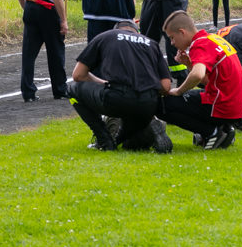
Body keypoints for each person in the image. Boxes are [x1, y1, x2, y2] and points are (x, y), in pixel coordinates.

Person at [67, 20, 172, 152]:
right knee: (131, 144)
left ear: (116, 29)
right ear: (137, 32)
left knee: (72, 88)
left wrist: (103, 83)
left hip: (117, 99)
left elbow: (78, 75)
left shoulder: (106, 36)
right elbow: (166, 86)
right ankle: (147, 125)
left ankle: (104, 141)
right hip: (148, 104)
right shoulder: (151, 43)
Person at [158, 10, 242, 149]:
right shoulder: (212, 38)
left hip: (222, 104)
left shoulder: (200, 44)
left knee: (163, 104)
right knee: (190, 98)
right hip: (234, 105)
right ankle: (223, 128)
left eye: (172, 38)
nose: (172, 43)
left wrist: (179, 91)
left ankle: (212, 132)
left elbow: (197, 75)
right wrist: (188, 64)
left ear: (182, 32)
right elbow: (207, 81)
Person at [15, 0, 69, 102]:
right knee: (55, 50)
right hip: (47, 9)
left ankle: (28, 91)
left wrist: (29, 10)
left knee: (29, 52)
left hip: (30, 7)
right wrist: (64, 20)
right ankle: (59, 89)